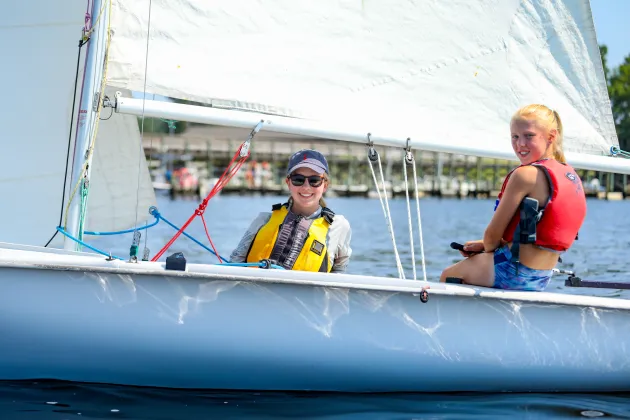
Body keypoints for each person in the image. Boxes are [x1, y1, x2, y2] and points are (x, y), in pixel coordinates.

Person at [440, 104, 586, 291]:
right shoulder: (570, 176)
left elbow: (492, 235)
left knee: (448, 276)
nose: (520, 144)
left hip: (512, 271)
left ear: (551, 137)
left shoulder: (525, 175)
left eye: (529, 136)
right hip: (542, 276)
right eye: (515, 137)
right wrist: (486, 246)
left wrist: (488, 246)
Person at [229, 149, 352, 273]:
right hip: (253, 290)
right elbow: (235, 262)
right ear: (288, 183)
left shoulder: (338, 227)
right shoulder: (263, 220)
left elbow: (340, 273)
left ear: (325, 185)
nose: (306, 187)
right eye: (298, 179)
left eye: (314, 180)